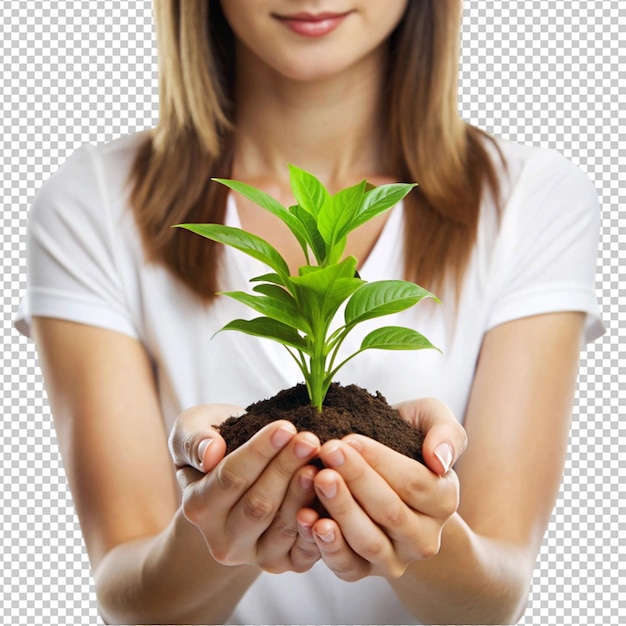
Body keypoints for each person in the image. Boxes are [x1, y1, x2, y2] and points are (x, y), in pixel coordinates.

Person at [16, 1, 604, 624]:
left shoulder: (529, 198)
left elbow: (496, 597)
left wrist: (416, 524)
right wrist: (219, 518)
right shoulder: (93, 203)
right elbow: (131, 599)